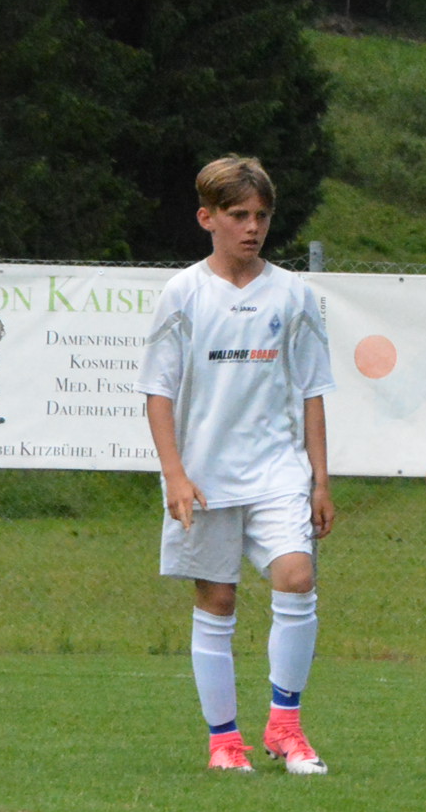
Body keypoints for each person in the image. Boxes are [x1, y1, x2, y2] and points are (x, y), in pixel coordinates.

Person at [139, 156, 335, 775]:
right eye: (239, 215)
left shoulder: (293, 294)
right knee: (217, 599)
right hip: (205, 477)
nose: (252, 227)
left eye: (262, 216)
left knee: (297, 576)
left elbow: (312, 391)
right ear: (207, 218)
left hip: (278, 470)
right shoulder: (184, 293)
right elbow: (158, 392)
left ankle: (286, 726)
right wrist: (175, 475)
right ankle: (224, 741)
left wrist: (320, 481)